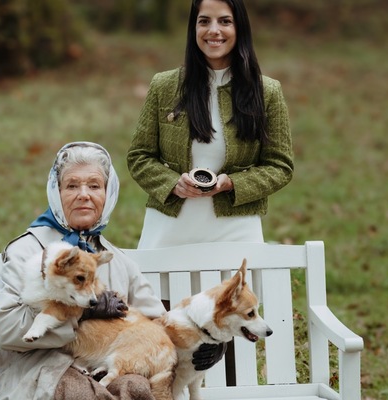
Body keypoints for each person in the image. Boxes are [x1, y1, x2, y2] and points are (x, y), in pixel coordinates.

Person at [126, 0, 294, 384]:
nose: (213, 31)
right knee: (163, 331)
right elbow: (139, 156)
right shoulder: (166, 86)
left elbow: (281, 165)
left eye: (224, 21)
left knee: (230, 332)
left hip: (234, 229)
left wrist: (232, 183)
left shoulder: (266, 93)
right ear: (193, 28)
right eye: (204, 21)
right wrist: (173, 183)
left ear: (240, 28)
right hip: (170, 229)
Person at [0, 142, 224, 400]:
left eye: (95, 186)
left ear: (108, 195)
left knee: (137, 387)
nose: (84, 194)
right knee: (78, 391)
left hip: (106, 365)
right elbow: (2, 327)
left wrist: (204, 341)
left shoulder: (118, 261)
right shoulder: (30, 251)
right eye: (72, 185)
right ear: (56, 192)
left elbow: (155, 325)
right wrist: (81, 313)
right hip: (37, 369)